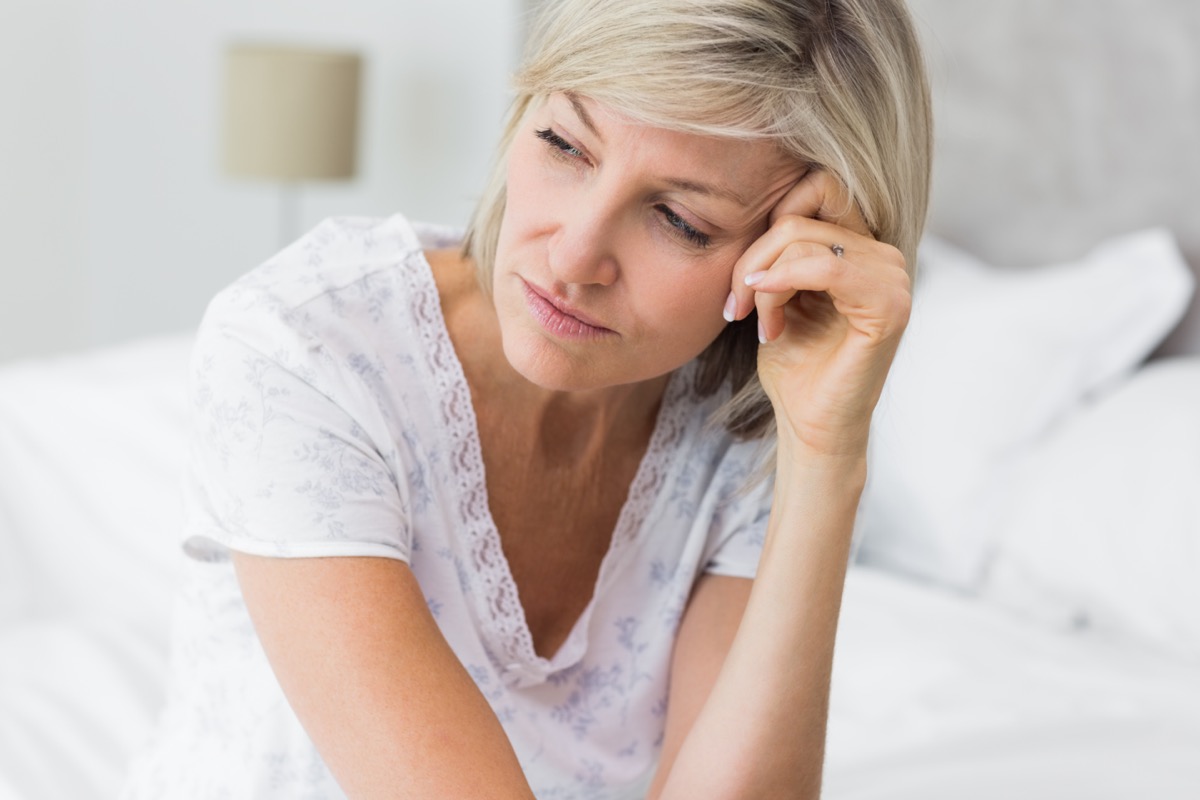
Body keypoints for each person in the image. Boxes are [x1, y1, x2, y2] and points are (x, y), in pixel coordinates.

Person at [122, 0, 931, 797]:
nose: (575, 253)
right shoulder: (305, 347)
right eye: (563, 144)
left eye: (680, 221)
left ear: (780, 259)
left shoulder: (747, 422)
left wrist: (828, 457)